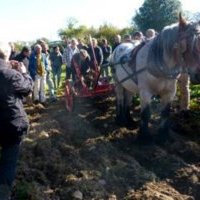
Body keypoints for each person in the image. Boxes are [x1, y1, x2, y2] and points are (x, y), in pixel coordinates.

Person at [0, 41, 33, 199]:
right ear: (7, 54)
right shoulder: (11, 75)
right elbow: (27, 89)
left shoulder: (8, 72)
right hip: (10, 125)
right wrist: (24, 72)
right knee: (8, 162)